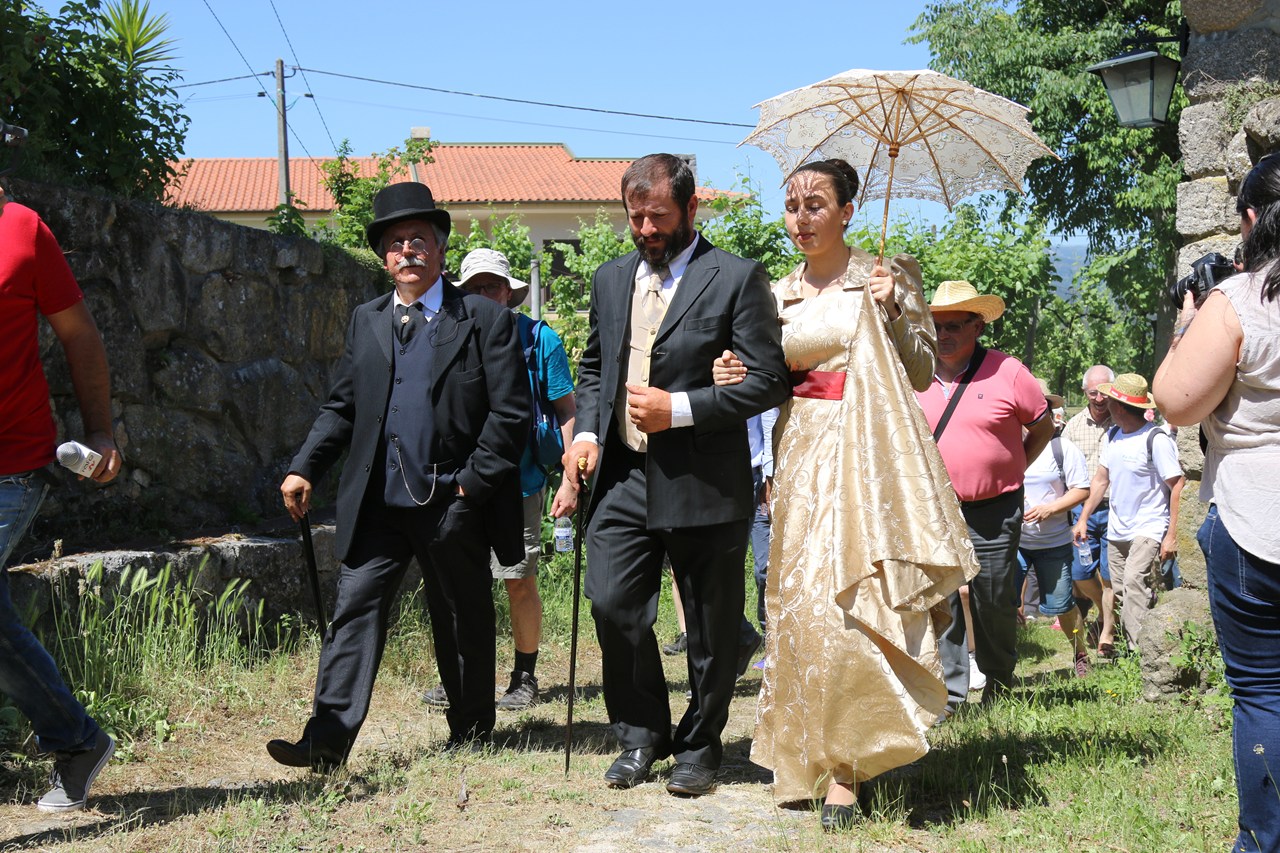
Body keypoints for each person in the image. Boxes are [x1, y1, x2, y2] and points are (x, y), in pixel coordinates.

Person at [712, 159, 977, 830]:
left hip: (867, 456)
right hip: (799, 453)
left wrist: (895, 307)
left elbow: (922, 372)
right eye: (792, 205)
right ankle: (805, 751)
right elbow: (766, 378)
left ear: (848, 211)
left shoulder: (887, 274)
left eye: (816, 205)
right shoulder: (775, 292)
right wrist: (732, 371)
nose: (801, 218)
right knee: (797, 603)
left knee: (850, 604)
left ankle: (849, 771)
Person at [268, 182, 530, 768]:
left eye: (417, 239)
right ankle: (325, 741)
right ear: (384, 257)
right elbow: (342, 407)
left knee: (459, 613)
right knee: (352, 611)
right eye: (394, 242)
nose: (406, 251)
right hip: (377, 501)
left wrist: (469, 485)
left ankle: (470, 730)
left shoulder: (484, 319)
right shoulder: (366, 320)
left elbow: (511, 415)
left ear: (440, 249)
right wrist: (305, 465)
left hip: (450, 498)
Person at [560, 153, 790, 798]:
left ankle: (699, 744)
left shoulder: (737, 277)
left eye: (658, 216)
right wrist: (586, 434)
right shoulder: (610, 278)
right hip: (622, 475)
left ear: (691, 208)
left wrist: (679, 409)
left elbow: (769, 381)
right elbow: (595, 367)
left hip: (704, 477)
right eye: (635, 217)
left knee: (711, 626)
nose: (645, 229)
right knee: (611, 603)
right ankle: (641, 735)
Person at [1153, 151, 1280, 853]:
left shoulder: (1240, 300)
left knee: (1263, 691)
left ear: (1253, 219)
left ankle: (1263, 842)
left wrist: (1190, 320)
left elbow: (1175, 401)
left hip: (1259, 519)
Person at [0, 184, 121, 811]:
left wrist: (100, 431)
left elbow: (79, 334)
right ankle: (76, 740)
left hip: (11, 464)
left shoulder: (22, 229)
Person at [420, 248, 577, 712]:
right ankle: (462, 675)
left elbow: (566, 409)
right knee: (460, 584)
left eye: (492, 286)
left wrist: (570, 477)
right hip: (458, 482)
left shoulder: (538, 339)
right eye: (474, 287)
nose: (483, 294)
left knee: (518, 579)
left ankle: (524, 677)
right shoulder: (445, 333)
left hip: (520, 481)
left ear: (509, 292)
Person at [915, 279, 1055, 713]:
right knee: (942, 599)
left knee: (992, 597)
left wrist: (1014, 467)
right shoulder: (913, 372)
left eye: (954, 325)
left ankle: (999, 680)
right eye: (936, 325)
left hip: (994, 509)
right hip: (933, 510)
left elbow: (1043, 426)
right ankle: (952, 693)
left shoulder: (1008, 371)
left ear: (977, 326)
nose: (943, 334)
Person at [1071, 374, 1183, 651]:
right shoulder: (1113, 435)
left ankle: (1140, 652)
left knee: (1133, 583)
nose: (1104, 402)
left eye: (1110, 399)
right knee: (1120, 589)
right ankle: (1138, 640)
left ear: (1119, 407)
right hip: (1117, 527)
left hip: (1149, 525)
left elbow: (1177, 485)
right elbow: (1100, 480)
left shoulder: (1155, 439)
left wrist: (1171, 534)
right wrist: (1083, 518)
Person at [1018, 378, 1091, 676]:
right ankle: (1001, 662)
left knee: (1062, 606)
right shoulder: (1009, 447)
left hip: (1053, 543)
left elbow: (1081, 490)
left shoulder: (1062, 449)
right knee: (1000, 602)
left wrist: (1050, 508)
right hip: (1014, 543)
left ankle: (1080, 652)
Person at [1063, 364, 1116, 650]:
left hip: (1115, 508)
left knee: (1109, 575)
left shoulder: (1123, 421)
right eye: (1093, 392)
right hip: (1082, 510)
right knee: (1080, 573)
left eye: (1104, 392)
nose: (1099, 398)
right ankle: (1104, 610)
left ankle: (1107, 630)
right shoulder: (1073, 426)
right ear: (1085, 392)